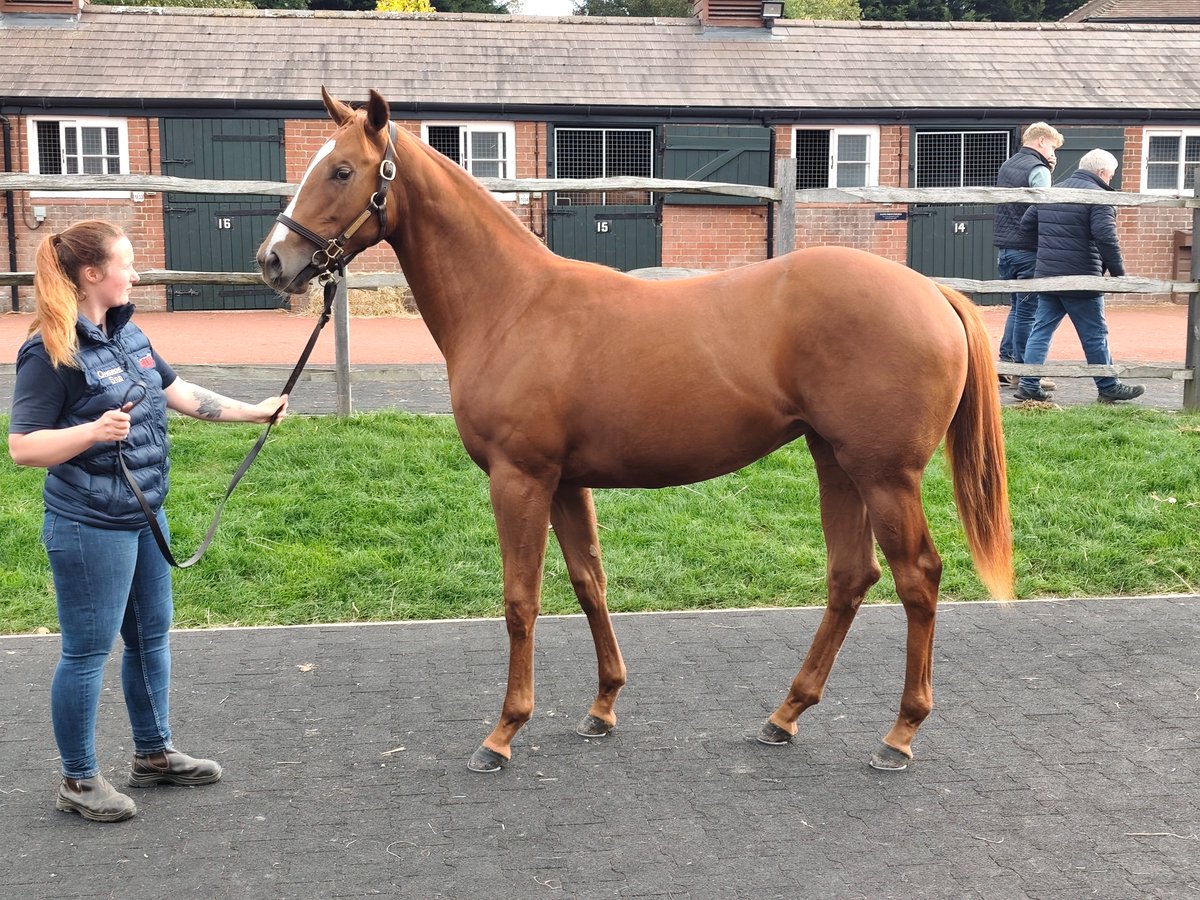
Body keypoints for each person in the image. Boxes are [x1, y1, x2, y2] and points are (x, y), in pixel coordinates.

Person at [7, 220, 288, 822]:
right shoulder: (50, 348)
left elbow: (180, 391)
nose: (135, 274)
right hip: (88, 525)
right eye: (126, 264)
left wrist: (253, 412)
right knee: (86, 654)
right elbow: (23, 447)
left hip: (142, 515)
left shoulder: (128, 333)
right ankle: (78, 781)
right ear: (92, 275)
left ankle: (154, 755)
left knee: (150, 639)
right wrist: (91, 431)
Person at [1014, 150, 1145, 404]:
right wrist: (1118, 273)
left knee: (1041, 330)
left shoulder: (1053, 190)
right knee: (1095, 333)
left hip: (1048, 276)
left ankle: (1029, 384)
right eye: (1111, 175)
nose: (1110, 179)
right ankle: (1108, 386)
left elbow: (1027, 225)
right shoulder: (1097, 196)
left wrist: (1049, 249)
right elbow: (1106, 236)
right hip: (1082, 277)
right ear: (1101, 173)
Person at [994, 122, 1063, 389]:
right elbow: (1044, 208)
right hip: (1028, 249)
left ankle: (1006, 362)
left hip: (1005, 250)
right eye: (1053, 148)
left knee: (1016, 308)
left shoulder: (1008, 165)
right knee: (1028, 312)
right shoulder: (1038, 169)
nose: (1053, 154)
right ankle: (1023, 370)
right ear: (1043, 141)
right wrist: (1048, 171)